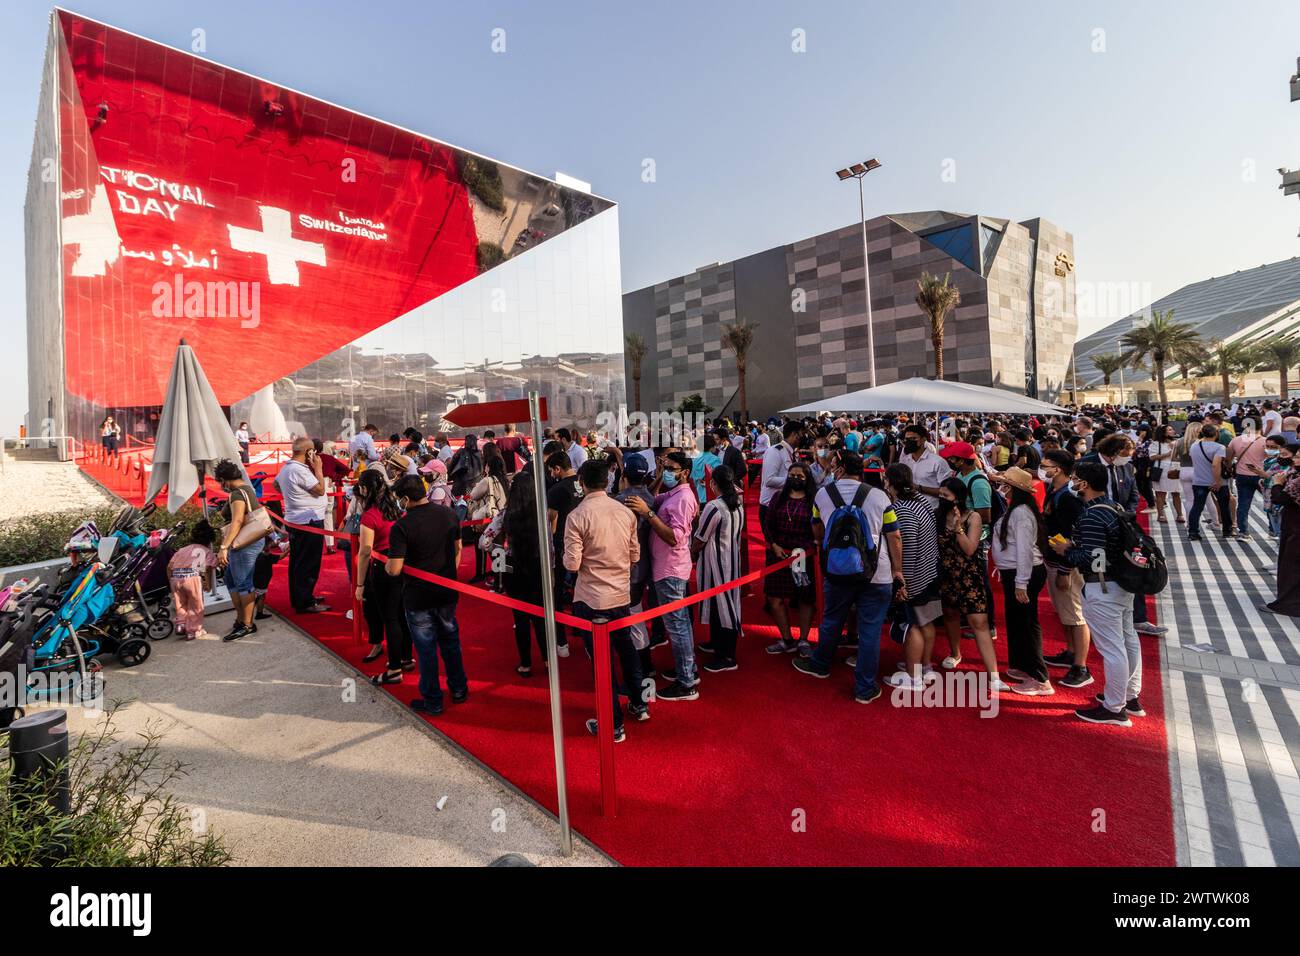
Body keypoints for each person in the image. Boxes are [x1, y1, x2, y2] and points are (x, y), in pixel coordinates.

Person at [792, 451, 902, 704]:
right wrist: (898, 570)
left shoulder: (823, 494)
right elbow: (894, 535)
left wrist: (821, 543)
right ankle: (864, 687)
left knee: (832, 619)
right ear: (860, 470)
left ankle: (820, 663)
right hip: (877, 572)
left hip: (837, 568)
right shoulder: (879, 496)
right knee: (870, 629)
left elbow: (816, 524)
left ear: (839, 468)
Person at [1051, 462, 1144, 726]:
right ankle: (1129, 696)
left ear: (1085, 484)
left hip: (1103, 586)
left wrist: (1066, 552)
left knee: (1113, 648)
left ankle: (1115, 708)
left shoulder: (1092, 514)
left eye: (1076, 479)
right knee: (1127, 641)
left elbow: (1093, 557)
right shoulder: (1112, 507)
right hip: (1121, 584)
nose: (1073, 482)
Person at [564, 458, 646, 740]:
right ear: (608, 481)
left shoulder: (577, 516)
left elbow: (572, 565)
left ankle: (613, 723)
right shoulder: (625, 512)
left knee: (602, 663)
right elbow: (635, 555)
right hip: (621, 594)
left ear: (582, 483)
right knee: (627, 650)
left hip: (592, 599)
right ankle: (639, 703)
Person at [385, 473, 467, 715]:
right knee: (451, 641)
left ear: (406, 499)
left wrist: (388, 567)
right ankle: (459, 688)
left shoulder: (402, 526)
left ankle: (433, 699)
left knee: (426, 650)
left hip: (418, 596)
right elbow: (458, 548)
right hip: (446, 590)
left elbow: (395, 568)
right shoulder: (449, 514)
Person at [625, 451, 700, 700]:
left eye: (670, 467)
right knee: (681, 625)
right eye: (664, 466)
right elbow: (655, 498)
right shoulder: (676, 493)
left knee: (676, 627)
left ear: (685, 472)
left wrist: (648, 514)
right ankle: (688, 670)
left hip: (671, 569)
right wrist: (658, 477)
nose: (666, 470)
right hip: (666, 567)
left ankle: (686, 683)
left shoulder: (683, 498)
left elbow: (673, 536)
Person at [933, 476, 1006, 690]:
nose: (941, 498)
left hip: (969, 574)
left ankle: (993, 675)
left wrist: (957, 529)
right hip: (946, 575)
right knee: (950, 615)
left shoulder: (972, 517)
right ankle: (955, 653)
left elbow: (969, 549)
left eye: (946, 495)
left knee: (979, 622)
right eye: (940, 494)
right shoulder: (937, 515)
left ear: (958, 498)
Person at [990, 467, 1052, 695]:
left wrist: (1021, 583)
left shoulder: (1021, 513)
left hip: (1022, 572)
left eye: (1006, 484)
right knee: (1017, 620)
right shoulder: (1016, 510)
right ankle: (1024, 666)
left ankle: (1040, 677)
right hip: (1015, 572)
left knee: (1027, 622)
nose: (1002, 486)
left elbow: (1025, 550)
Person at [882, 464, 941, 691]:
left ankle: (913, 676)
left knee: (913, 624)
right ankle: (924, 666)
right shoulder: (922, 501)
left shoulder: (901, 509)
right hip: (929, 571)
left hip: (915, 575)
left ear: (889, 482)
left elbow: (905, 545)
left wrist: (901, 579)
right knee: (926, 622)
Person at [352, 470, 412, 684]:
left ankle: (395, 669)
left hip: (383, 568)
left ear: (365, 489)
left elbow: (365, 551)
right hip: (401, 563)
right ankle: (405, 657)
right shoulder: (395, 509)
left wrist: (359, 584)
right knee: (401, 615)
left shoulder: (370, 516)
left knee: (391, 618)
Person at [1040, 450, 1093, 688]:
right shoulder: (1054, 490)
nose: (1042, 469)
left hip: (1067, 564)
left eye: (1045, 465)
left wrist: (1064, 569)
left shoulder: (1068, 497)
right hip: (1054, 558)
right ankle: (1071, 652)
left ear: (1058, 469)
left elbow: (1075, 536)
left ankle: (1081, 666)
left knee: (1076, 615)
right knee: (1065, 612)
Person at [495, 469, 549, 676]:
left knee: (520, 619)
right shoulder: (542, 514)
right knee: (541, 617)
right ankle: (547, 661)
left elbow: (485, 541)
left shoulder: (505, 514)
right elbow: (550, 548)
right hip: (538, 566)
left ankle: (525, 664)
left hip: (513, 568)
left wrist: (502, 552)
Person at [692, 465, 745, 673]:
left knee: (723, 607)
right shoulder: (737, 503)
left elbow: (700, 538)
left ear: (713, 484)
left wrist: (692, 554)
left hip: (716, 564)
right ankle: (717, 644)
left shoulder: (714, 506)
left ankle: (727, 655)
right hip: (731, 561)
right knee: (724, 605)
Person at [762, 462, 818, 655]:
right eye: (792, 475)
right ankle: (786, 638)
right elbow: (767, 525)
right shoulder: (778, 497)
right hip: (778, 554)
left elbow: (818, 530)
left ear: (807, 478)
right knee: (775, 597)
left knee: (804, 597)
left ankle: (803, 639)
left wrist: (805, 549)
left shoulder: (813, 500)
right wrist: (774, 545)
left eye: (800, 476)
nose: (795, 479)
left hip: (803, 555)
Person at [214, 459, 269, 640]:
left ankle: (247, 624)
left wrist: (224, 547)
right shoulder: (246, 489)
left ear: (224, 479)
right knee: (231, 579)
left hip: (245, 543)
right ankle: (241, 619)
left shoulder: (237, 494)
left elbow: (237, 521)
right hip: (251, 541)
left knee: (243, 583)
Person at [275, 438, 330, 614]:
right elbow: (320, 489)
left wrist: (293, 496)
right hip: (307, 521)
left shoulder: (287, 468)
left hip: (298, 519)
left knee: (299, 562)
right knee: (308, 563)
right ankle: (304, 601)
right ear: (308, 452)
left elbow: (277, 484)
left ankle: (303, 596)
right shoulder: (299, 470)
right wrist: (319, 469)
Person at [1264, 446, 1300, 616]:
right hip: (1292, 526)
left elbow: (1281, 498)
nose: (1294, 460)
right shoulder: (1294, 475)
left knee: (1291, 565)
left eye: (1297, 457)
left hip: (1295, 528)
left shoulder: (1297, 480)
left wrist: (1278, 484)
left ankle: (1288, 604)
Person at [167, 519, 217, 640]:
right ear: (209, 540)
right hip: (192, 578)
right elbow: (207, 569)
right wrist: (207, 583)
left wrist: (171, 581)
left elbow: (169, 566)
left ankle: (181, 625)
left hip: (176, 577)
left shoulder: (182, 550)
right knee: (196, 606)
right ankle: (193, 631)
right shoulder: (206, 552)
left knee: (180, 604)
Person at [1187, 423, 1233, 542]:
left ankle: (1193, 532)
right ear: (1216, 434)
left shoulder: (1194, 446)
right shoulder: (1219, 447)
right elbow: (1215, 465)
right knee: (1224, 506)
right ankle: (1227, 531)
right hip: (1218, 482)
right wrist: (1217, 481)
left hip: (1199, 480)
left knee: (1197, 507)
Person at [467, 449, 508, 582]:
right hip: (502, 516)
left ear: (488, 466)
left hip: (490, 519)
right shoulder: (504, 479)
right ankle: (500, 578)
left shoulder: (488, 480)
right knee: (499, 549)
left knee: (486, 546)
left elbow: (473, 495)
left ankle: (496, 580)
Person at [1227, 425, 1268, 542]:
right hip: (1261, 476)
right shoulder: (1265, 441)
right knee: (1271, 501)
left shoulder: (1235, 440)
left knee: (1243, 505)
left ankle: (1244, 533)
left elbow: (1228, 459)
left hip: (1242, 476)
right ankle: (1273, 530)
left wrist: (1230, 469)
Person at [759, 421, 803, 525]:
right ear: (794, 434)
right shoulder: (775, 451)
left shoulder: (792, 453)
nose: (803, 437)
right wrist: (794, 480)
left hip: (784, 505)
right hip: (770, 506)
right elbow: (769, 480)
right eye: (801, 433)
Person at [899, 423, 951, 510]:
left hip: (932, 509)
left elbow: (947, 491)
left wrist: (919, 488)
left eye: (913, 438)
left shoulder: (937, 462)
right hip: (910, 509)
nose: (909, 442)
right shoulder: (905, 460)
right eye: (907, 439)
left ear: (923, 440)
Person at [1148, 423, 1181, 524]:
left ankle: (1180, 514)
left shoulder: (1176, 442)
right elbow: (1152, 457)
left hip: (1175, 468)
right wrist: (1167, 454)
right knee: (1160, 493)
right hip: (1161, 469)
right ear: (1164, 433)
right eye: (1170, 430)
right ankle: (1161, 514)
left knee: (1176, 492)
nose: (1173, 431)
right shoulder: (1156, 444)